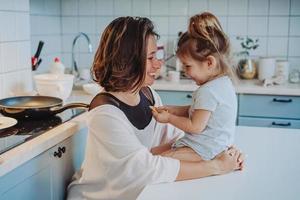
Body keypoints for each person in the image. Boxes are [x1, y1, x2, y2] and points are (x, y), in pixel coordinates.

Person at [67, 16, 244, 200]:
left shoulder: (149, 95)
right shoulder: (105, 113)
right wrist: (215, 166)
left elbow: (175, 139)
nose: (159, 64)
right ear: (128, 60)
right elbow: (146, 168)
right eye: (151, 57)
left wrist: (216, 148)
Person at [151, 12, 238, 161]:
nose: (185, 71)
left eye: (187, 66)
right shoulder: (222, 83)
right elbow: (199, 112)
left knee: (158, 159)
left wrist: (169, 118)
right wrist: (173, 109)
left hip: (204, 150)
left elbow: (195, 126)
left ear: (209, 63)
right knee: (153, 152)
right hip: (213, 146)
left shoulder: (208, 91)